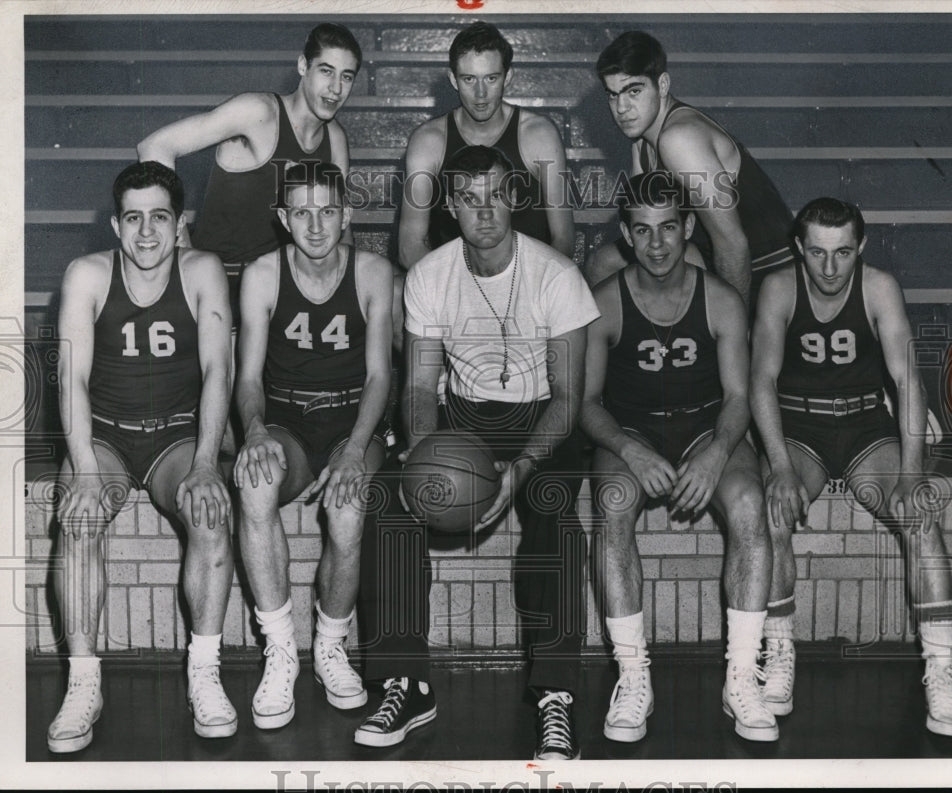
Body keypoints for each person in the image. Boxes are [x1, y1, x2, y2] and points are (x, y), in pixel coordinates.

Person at [354, 145, 598, 760]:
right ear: (450, 204)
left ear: (515, 196)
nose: (484, 210)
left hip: (541, 416)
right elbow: (416, 385)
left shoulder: (556, 275)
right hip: (464, 417)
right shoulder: (431, 276)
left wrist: (520, 469)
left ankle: (555, 696)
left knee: (556, 515)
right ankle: (404, 681)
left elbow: (569, 397)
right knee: (389, 500)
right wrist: (420, 450)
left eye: (495, 194)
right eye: (468, 197)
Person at [750, 197, 952, 738]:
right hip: (799, 429)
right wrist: (778, 465)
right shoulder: (779, 288)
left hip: (866, 425)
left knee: (921, 515)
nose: (829, 269)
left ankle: (941, 669)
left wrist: (913, 470)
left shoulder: (878, 287)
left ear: (861, 248)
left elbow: (907, 380)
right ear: (799, 247)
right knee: (771, 510)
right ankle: (780, 654)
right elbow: (760, 382)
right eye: (818, 253)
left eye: (843, 253)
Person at [581, 171, 777, 743]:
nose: (658, 244)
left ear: (688, 227)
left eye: (669, 228)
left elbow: (739, 399)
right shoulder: (603, 304)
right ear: (627, 235)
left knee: (747, 504)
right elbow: (587, 404)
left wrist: (717, 454)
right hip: (632, 432)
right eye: (643, 232)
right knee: (614, 503)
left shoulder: (720, 299)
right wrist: (626, 448)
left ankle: (741, 676)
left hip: (703, 430)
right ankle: (633, 675)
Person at [49, 161, 235, 752]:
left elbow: (218, 371)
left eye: (160, 217)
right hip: (105, 434)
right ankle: (83, 683)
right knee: (78, 518)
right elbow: (68, 377)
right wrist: (81, 466)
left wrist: (206, 462)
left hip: (176, 436)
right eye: (134, 218)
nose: (147, 232)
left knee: (210, 511)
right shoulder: (87, 274)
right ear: (115, 224)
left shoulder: (202, 270)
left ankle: (203, 671)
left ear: (180, 223)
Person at [232, 162, 393, 728]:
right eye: (302, 212)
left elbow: (379, 376)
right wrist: (253, 431)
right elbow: (247, 378)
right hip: (289, 421)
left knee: (348, 512)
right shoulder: (261, 274)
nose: (317, 226)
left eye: (328, 211)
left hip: (354, 420)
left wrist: (354, 448)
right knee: (254, 485)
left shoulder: (373, 271)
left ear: (347, 214)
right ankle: (280, 651)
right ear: (284, 218)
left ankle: (330, 646)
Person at [136, 22, 362, 315]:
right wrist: (184, 251)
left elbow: (342, 231)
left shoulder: (335, 139)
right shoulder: (258, 112)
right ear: (303, 65)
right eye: (326, 71)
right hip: (218, 283)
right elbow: (154, 147)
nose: (336, 89)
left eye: (347, 77)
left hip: (279, 288)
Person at [589, 30, 795, 305]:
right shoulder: (641, 142)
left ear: (662, 85)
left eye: (634, 91)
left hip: (768, 273)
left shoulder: (680, 138)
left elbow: (733, 245)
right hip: (710, 256)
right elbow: (642, 224)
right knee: (603, 263)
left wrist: (733, 330)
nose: (621, 108)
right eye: (613, 95)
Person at [397, 21, 574, 269]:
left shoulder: (539, 135)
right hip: (452, 286)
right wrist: (459, 294)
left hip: (528, 282)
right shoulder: (429, 141)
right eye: (469, 78)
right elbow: (410, 245)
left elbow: (563, 239)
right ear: (453, 79)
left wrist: (526, 292)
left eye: (491, 78)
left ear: (508, 77)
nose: (480, 93)